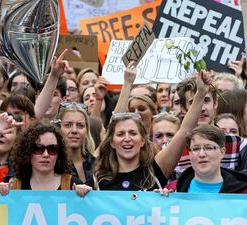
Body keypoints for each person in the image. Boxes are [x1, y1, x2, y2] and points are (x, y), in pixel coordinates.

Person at [75, 69, 212, 195]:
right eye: (120, 134)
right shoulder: (98, 180)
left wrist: (200, 94)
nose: (127, 138)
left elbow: (184, 131)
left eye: (133, 133)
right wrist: (82, 193)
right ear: (111, 142)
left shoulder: (156, 170)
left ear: (142, 140)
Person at [0, 123, 82, 194]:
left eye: (52, 149)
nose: (46, 154)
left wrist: (87, 196)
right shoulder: (14, 187)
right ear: (27, 152)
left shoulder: (73, 186)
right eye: (38, 148)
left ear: (60, 153)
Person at [176, 124, 247, 193]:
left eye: (209, 148)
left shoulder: (244, 193)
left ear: (222, 152)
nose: (202, 154)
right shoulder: (173, 189)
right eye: (196, 149)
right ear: (189, 153)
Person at [56, 102, 95, 185]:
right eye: (68, 125)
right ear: (59, 129)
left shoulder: (98, 164)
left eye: (80, 125)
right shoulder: (53, 166)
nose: (74, 130)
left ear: (86, 130)